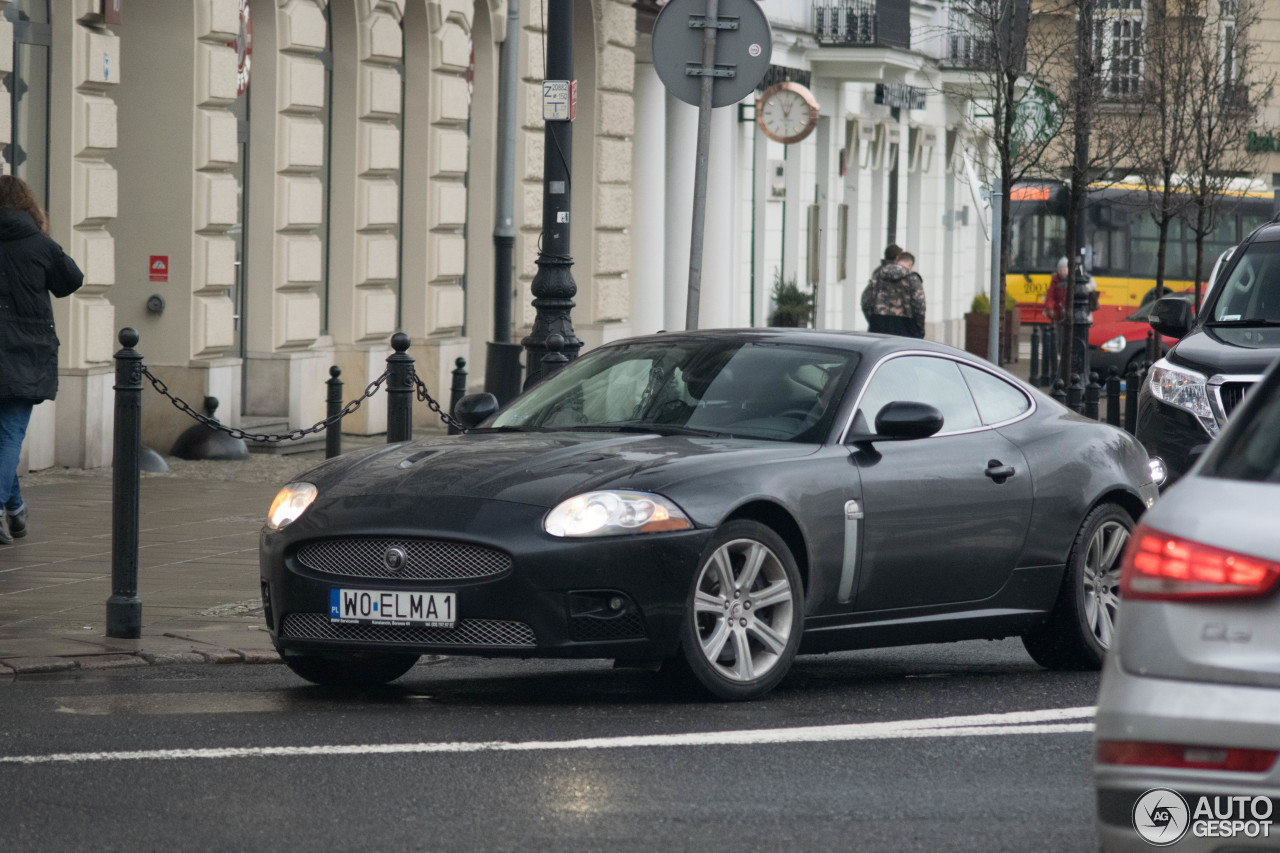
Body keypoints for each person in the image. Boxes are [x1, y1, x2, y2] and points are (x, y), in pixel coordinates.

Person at [0, 174, 84, 544]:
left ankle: (16, 510)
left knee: (3, 438)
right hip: (26, 352)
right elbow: (71, 281)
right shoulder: (39, 243)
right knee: (9, 435)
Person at [862, 249, 926, 338]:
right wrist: (919, 328)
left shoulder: (878, 276)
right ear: (910, 264)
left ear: (897, 260)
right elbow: (919, 305)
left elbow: (866, 301)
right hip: (907, 326)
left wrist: (872, 319)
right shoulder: (913, 279)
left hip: (879, 324)